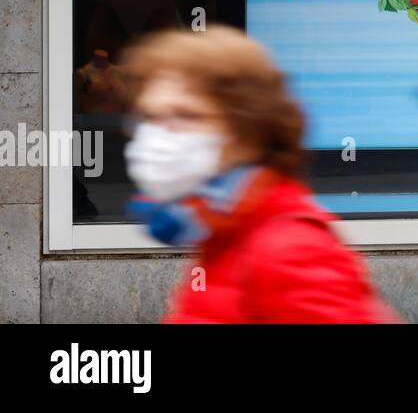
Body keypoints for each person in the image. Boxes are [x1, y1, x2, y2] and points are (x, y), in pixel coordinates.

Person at [121, 26, 397, 323]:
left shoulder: (288, 247)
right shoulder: (221, 229)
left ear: (249, 131)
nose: (158, 135)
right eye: (150, 117)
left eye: (186, 115)